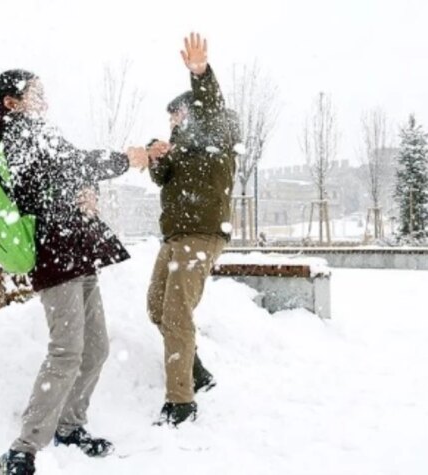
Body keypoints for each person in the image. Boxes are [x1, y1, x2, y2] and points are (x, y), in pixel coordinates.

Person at [0, 69, 149, 474]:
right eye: (36, 93)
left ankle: (70, 426)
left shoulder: (39, 131)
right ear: (13, 102)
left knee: (96, 348)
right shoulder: (18, 133)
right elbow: (72, 164)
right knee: (66, 352)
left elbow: (66, 175)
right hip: (54, 253)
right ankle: (23, 448)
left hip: (76, 249)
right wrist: (125, 160)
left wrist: (88, 194)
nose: (44, 100)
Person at [146, 33, 238, 426]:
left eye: (177, 116)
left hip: (201, 236)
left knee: (177, 315)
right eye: (170, 119)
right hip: (176, 238)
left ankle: (181, 402)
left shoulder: (217, 134)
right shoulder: (180, 149)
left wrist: (200, 73)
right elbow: (160, 177)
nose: (173, 123)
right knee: (156, 308)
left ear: (193, 112)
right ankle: (196, 371)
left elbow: (212, 107)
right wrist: (155, 153)